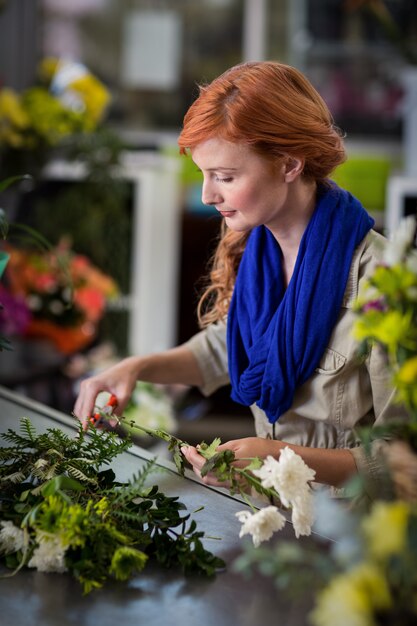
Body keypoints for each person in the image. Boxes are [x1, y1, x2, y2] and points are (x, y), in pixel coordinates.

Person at [74, 61, 403, 499]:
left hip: (350, 538)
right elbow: (226, 346)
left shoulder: (386, 284)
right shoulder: (255, 248)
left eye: (225, 177)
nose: (209, 196)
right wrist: (135, 368)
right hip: (268, 523)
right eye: (204, 175)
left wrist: (280, 458)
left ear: (288, 164)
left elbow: (401, 462)